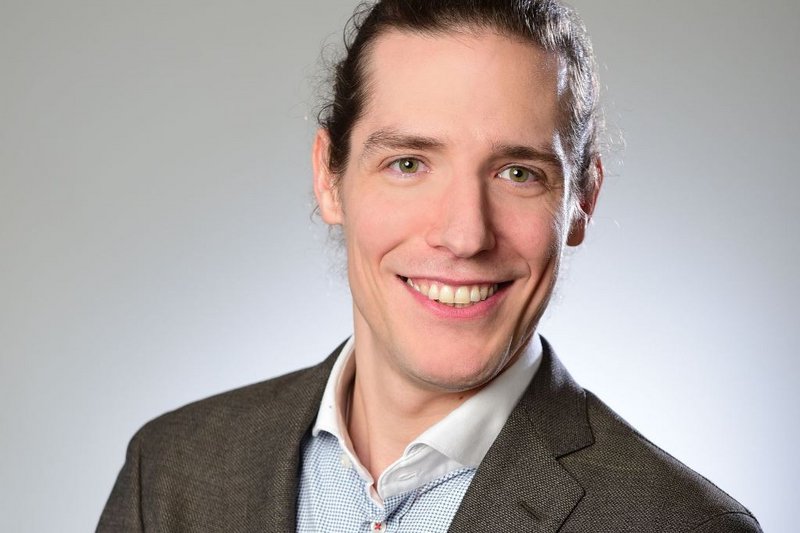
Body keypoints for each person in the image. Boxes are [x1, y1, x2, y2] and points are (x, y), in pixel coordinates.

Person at [98, 1, 762, 531]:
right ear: (329, 179)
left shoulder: (680, 525)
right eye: (409, 163)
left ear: (581, 201)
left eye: (518, 172)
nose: (464, 235)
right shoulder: (171, 471)